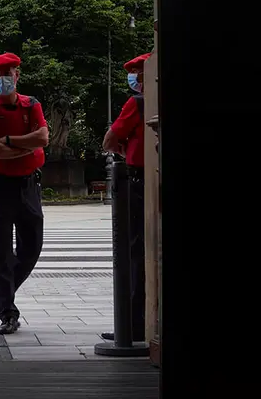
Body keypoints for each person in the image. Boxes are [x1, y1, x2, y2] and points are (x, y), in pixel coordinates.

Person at [0, 52, 49, 334]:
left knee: (31, 248)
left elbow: (43, 138)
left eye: (7, 74)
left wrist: (8, 141)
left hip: (29, 186)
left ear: (17, 75)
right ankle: (7, 311)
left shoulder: (32, 104)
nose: (2, 79)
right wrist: (27, 148)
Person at [101, 52, 151, 343]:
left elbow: (110, 139)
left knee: (135, 251)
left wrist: (127, 151)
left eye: (136, 72)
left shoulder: (138, 103)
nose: (133, 78)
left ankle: (132, 323)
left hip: (138, 181)